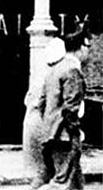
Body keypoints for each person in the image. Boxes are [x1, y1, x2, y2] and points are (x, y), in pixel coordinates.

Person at [37, 25, 92, 190]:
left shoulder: (54, 70)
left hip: (51, 134)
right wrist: (74, 131)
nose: (89, 52)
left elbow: (41, 103)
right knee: (62, 184)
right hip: (65, 136)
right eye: (88, 47)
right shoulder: (73, 71)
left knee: (74, 182)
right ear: (81, 47)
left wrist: (50, 123)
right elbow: (70, 108)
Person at [23, 36, 66, 189]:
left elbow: (33, 101)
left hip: (35, 125)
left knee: (43, 170)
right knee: (57, 171)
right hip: (48, 127)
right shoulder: (58, 75)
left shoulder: (43, 75)